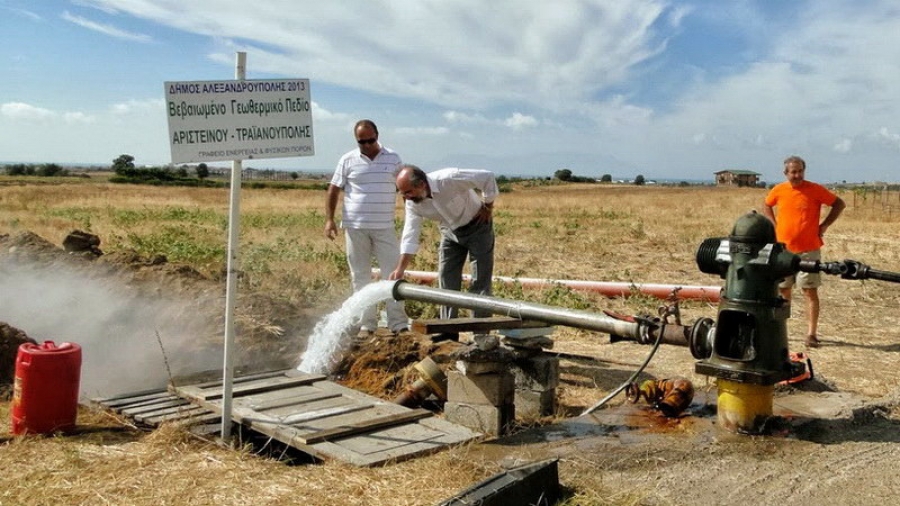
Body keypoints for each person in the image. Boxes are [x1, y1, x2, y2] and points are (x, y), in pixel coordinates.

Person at [388, 165, 498, 341]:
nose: (406, 197)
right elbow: (410, 233)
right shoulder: (412, 204)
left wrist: (488, 205)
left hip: (478, 226)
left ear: (422, 184)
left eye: (408, 192)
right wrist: (400, 269)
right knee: (447, 279)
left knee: (480, 282)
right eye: (402, 193)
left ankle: (480, 336)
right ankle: (448, 333)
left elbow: (486, 176)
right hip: (450, 231)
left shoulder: (449, 178)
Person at [324, 120, 409, 337]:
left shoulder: (393, 158)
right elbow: (333, 189)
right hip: (355, 227)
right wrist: (329, 220)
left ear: (378, 136)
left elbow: (404, 187)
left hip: (384, 226)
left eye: (371, 140)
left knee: (392, 274)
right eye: (362, 142)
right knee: (360, 276)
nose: (368, 145)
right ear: (357, 141)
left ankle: (398, 323)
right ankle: (367, 324)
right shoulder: (347, 160)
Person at [762, 155, 845, 348]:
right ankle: (780, 331)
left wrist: (823, 226)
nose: (797, 175)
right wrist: (774, 225)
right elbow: (767, 204)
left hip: (809, 250)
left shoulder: (815, 190)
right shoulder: (779, 190)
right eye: (793, 172)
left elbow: (839, 204)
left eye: (800, 171)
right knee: (783, 291)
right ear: (786, 173)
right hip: (783, 250)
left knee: (809, 291)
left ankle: (811, 334)